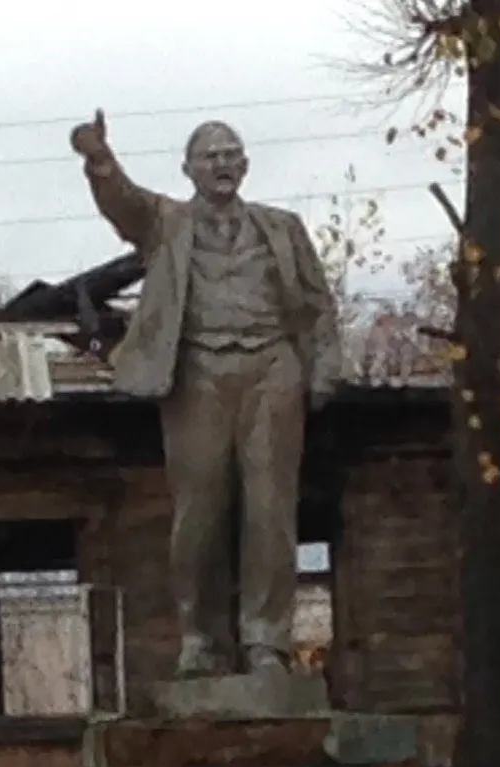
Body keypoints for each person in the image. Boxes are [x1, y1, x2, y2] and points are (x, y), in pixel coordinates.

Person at [71, 110, 343, 677]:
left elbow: (317, 304)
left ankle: (267, 642)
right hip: (198, 372)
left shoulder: (282, 227)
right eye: (209, 155)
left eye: (230, 153)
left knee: (270, 509)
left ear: (245, 165)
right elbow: (125, 204)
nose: (221, 163)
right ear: (188, 169)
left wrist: (323, 369)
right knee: (199, 512)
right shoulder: (167, 222)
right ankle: (202, 640)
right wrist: (100, 161)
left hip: (272, 369)